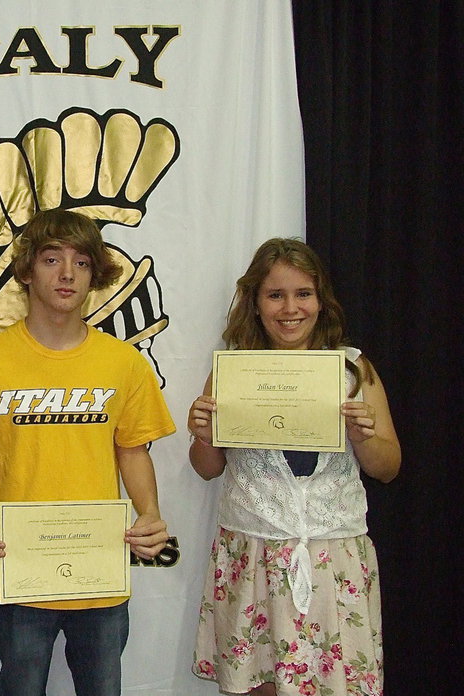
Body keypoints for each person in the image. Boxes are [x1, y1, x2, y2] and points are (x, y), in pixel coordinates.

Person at [0, 209, 176, 696]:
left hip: (99, 572)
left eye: (82, 262)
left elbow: (133, 451)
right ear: (26, 270)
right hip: (18, 569)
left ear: (95, 275)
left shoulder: (124, 363)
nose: (67, 274)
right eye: (51, 259)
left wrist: (150, 513)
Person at [189, 238, 400, 696]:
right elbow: (206, 469)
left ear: (321, 301)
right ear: (256, 303)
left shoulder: (354, 371)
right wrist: (203, 432)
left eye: (303, 293)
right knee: (261, 686)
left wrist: (365, 438)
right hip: (254, 556)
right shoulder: (234, 371)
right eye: (275, 295)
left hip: (333, 559)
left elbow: (388, 468)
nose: (290, 308)